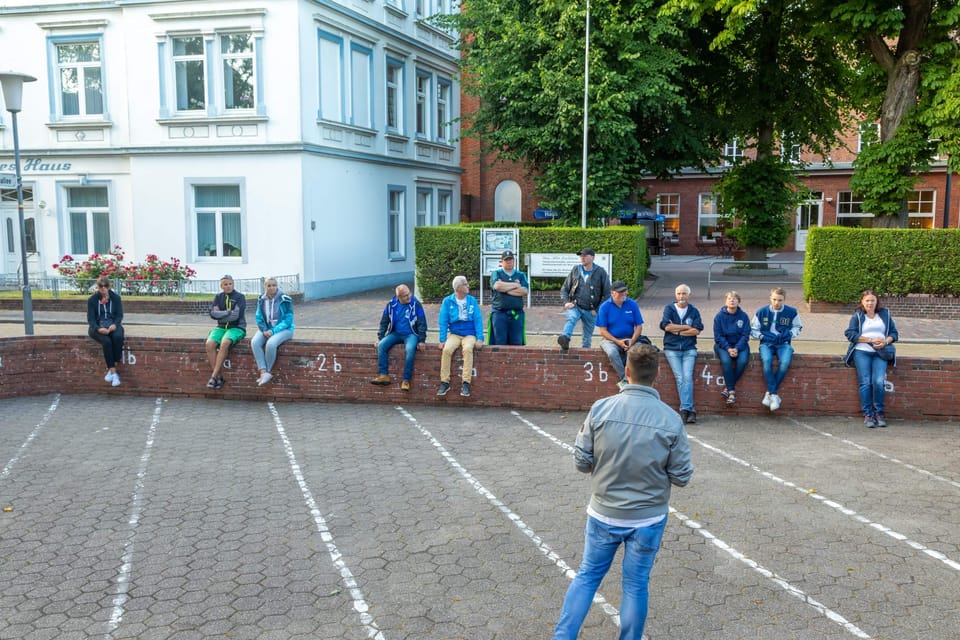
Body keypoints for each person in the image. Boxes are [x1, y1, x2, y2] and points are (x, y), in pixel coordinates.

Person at [551, 343, 694, 640]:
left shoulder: (601, 408)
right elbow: (681, 476)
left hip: (605, 511)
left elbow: (581, 462)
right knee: (636, 584)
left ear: (626, 372)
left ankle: (563, 637)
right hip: (648, 518)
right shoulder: (670, 419)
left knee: (588, 576)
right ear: (656, 375)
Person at [844, 290, 899, 428]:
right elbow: (850, 334)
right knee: (865, 382)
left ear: (876, 301)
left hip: (880, 352)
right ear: (862, 302)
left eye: (872, 300)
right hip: (862, 351)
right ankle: (868, 414)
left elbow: (894, 333)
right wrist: (870, 340)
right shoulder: (857, 316)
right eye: (867, 300)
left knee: (879, 381)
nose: (870, 303)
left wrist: (885, 342)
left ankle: (879, 413)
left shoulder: (885, 314)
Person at [750, 287, 803, 412]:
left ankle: (770, 393)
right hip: (766, 343)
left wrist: (789, 334)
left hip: (783, 343)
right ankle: (774, 395)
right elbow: (753, 330)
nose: (776, 303)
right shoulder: (761, 312)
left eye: (779, 300)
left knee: (784, 362)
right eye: (774, 299)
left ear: (784, 300)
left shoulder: (792, 312)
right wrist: (762, 336)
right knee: (767, 361)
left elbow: (798, 327)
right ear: (770, 298)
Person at [659, 284, 703, 424]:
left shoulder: (694, 311)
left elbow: (697, 330)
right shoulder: (669, 309)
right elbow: (666, 326)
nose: (681, 296)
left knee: (687, 377)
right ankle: (689, 410)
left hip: (689, 349)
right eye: (679, 293)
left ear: (689, 295)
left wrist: (675, 329)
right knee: (680, 377)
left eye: (684, 293)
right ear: (675, 295)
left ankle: (685, 409)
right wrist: (684, 328)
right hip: (672, 349)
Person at [372, 284, 427, 390]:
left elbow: (422, 323)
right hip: (395, 333)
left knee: (410, 349)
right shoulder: (391, 305)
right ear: (399, 297)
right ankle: (384, 375)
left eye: (409, 293)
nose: (409, 296)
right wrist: (380, 338)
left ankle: (406, 380)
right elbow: (384, 322)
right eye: (405, 295)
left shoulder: (416, 304)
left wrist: (421, 340)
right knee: (382, 345)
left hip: (411, 334)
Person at [437, 275, 485, 397]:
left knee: (468, 349)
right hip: (455, 333)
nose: (468, 286)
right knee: (447, 350)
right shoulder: (447, 301)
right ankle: (444, 382)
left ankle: (466, 383)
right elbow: (443, 321)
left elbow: (478, 320)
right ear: (458, 288)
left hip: (469, 333)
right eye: (465, 284)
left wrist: (480, 338)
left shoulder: (472, 300)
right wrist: (442, 339)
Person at [557, 248, 611, 352]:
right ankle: (565, 339)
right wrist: (567, 302)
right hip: (576, 306)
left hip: (591, 310)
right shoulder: (575, 270)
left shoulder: (600, 272)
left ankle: (585, 358)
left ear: (593, 257)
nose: (582, 258)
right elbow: (565, 288)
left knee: (587, 339)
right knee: (571, 318)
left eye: (585, 256)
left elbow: (607, 294)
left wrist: (598, 309)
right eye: (581, 256)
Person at [596, 280, 644, 390]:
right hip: (610, 340)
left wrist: (632, 340)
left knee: (635, 353)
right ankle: (625, 379)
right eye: (620, 292)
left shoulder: (632, 304)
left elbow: (639, 326)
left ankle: (630, 380)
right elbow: (603, 331)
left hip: (630, 338)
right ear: (613, 293)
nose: (624, 293)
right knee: (612, 352)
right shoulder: (604, 307)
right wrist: (618, 342)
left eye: (625, 291)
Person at [250, 277, 295, 386]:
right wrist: (264, 329)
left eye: (274, 285)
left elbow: (288, 320)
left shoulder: (285, 299)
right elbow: (258, 317)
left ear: (277, 286)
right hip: (266, 328)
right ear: (265, 287)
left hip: (285, 330)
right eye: (269, 286)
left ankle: (268, 371)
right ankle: (263, 372)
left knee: (271, 343)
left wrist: (273, 331)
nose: (271, 288)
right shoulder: (261, 299)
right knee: (255, 342)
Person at [205, 274, 247, 390]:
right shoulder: (218, 297)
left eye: (230, 284)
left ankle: (213, 376)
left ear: (233, 284)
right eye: (225, 284)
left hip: (237, 327)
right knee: (209, 344)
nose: (228, 286)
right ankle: (219, 377)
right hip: (221, 327)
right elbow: (213, 314)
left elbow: (236, 316)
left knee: (224, 342)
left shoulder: (240, 297)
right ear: (221, 286)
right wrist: (228, 312)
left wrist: (221, 313)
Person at [712, 291, 751, 405]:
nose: (732, 300)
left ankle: (727, 388)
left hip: (740, 345)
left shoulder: (743, 316)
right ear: (725, 301)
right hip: (723, 345)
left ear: (738, 301)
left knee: (743, 361)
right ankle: (732, 392)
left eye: (734, 298)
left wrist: (737, 348)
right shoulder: (719, 316)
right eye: (729, 298)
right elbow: (718, 336)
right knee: (726, 361)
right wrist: (728, 348)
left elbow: (745, 335)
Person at [87, 275, 124, 387]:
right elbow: (91, 319)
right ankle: (114, 373)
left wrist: (115, 324)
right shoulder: (92, 300)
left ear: (109, 286)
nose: (103, 288)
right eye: (100, 286)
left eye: (105, 286)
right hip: (97, 327)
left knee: (117, 337)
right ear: (97, 287)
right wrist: (98, 328)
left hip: (112, 324)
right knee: (107, 342)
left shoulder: (116, 298)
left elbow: (119, 315)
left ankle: (111, 369)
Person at [489, 250, 528, 345]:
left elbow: (524, 291)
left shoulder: (521, 275)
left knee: (517, 342)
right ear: (501, 262)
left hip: (516, 314)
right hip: (499, 313)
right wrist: (516, 285)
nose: (509, 261)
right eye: (506, 260)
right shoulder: (496, 273)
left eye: (511, 259)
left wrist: (504, 289)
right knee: (499, 342)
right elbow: (497, 286)